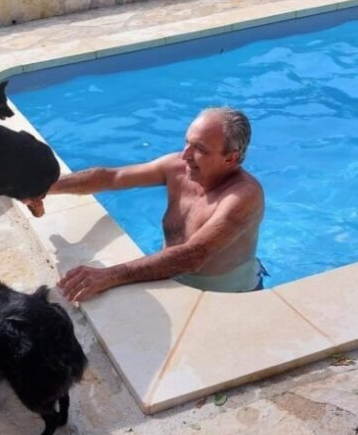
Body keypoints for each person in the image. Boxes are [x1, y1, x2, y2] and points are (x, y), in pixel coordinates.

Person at [50, 107, 266, 302]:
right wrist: (45, 187)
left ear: (230, 159)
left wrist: (109, 275)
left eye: (199, 149)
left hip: (225, 294)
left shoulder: (243, 196)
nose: (185, 155)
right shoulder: (177, 167)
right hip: (172, 273)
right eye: (187, 142)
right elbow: (112, 177)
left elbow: (194, 255)